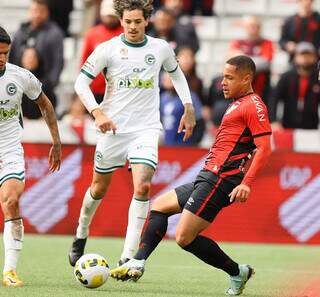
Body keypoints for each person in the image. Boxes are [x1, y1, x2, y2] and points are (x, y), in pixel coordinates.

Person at [110, 55, 272, 296]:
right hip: (208, 175)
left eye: (229, 77)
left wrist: (246, 183)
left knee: (184, 237)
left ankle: (237, 272)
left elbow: (265, 148)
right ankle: (138, 261)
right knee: (160, 206)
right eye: (223, 77)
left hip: (221, 180)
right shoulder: (238, 102)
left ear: (246, 78)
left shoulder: (253, 105)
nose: (222, 83)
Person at [69, 0, 196, 267]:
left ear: (146, 20)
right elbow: (80, 83)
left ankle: (128, 256)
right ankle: (81, 232)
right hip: (113, 129)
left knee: (144, 186)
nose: (133, 27)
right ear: (121, 20)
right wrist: (97, 112)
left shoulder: (160, 48)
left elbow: (177, 74)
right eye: (128, 22)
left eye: (138, 21)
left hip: (146, 129)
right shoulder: (108, 49)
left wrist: (188, 106)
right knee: (98, 188)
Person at [0, 26, 61, 287]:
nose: (2, 58)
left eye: (5, 53)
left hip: (9, 150)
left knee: (10, 201)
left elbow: (45, 104)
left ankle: (10, 271)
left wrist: (56, 141)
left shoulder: (20, 76)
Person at [9, 0, 64, 118]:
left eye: (41, 11)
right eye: (34, 11)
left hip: (44, 91)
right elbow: (12, 59)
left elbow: (57, 64)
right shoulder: (21, 32)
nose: (37, 14)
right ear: (30, 11)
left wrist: (44, 88)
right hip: (21, 92)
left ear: (47, 12)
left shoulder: (55, 34)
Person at [80, 0, 123, 104]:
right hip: (96, 90)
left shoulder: (125, 33)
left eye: (112, 16)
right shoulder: (92, 34)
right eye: (107, 15)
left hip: (120, 91)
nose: (109, 19)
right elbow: (84, 61)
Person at [270, 42, 319, 130]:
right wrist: (273, 120)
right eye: (302, 55)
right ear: (295, 57)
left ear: (315, 57)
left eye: (309, 55)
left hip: (311, 127)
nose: (305, 58)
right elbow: (274, 99)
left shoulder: (317, 78)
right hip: (287, 125)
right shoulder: (286, 77)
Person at [228, 15, 273, 102]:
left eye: (256, 26)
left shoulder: (267, 43)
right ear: (245, 27)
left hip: (261, 90)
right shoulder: (237, 42)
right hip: (239, 91)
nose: (253, 29)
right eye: (250, 26)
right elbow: (231, 63)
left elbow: (265, 63)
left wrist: (242, 58)